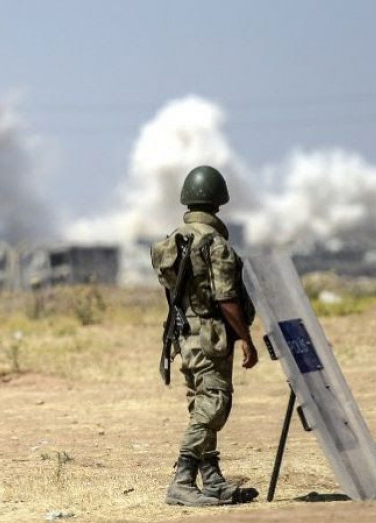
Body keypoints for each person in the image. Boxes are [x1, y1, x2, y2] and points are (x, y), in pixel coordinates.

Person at [150, 165, 260, 506]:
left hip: (184, 335)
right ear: (218, 201)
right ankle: (182, 481)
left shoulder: (173, 241)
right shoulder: (215, 244)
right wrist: (246, 338)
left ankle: (211, 478)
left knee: (200, 403)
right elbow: (226, 298)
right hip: (211, 337)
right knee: (214, 403)